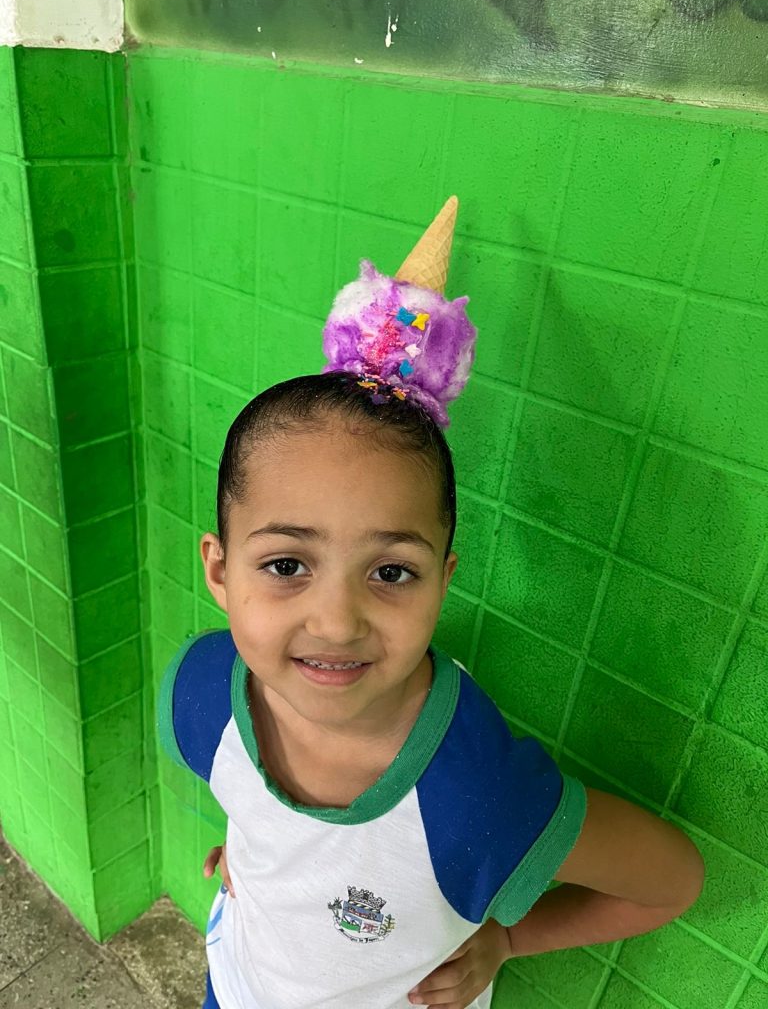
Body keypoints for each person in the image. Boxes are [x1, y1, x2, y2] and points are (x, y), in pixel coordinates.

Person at [158, 199, 704, 1009]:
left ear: (443, 580)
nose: (335, 622)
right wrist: (256, 858)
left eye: (391, 572)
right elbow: (267, 816)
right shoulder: (203, 692)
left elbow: (671, 881)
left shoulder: (478, 796)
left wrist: (509, 937)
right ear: (220, 569)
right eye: (285, 564)